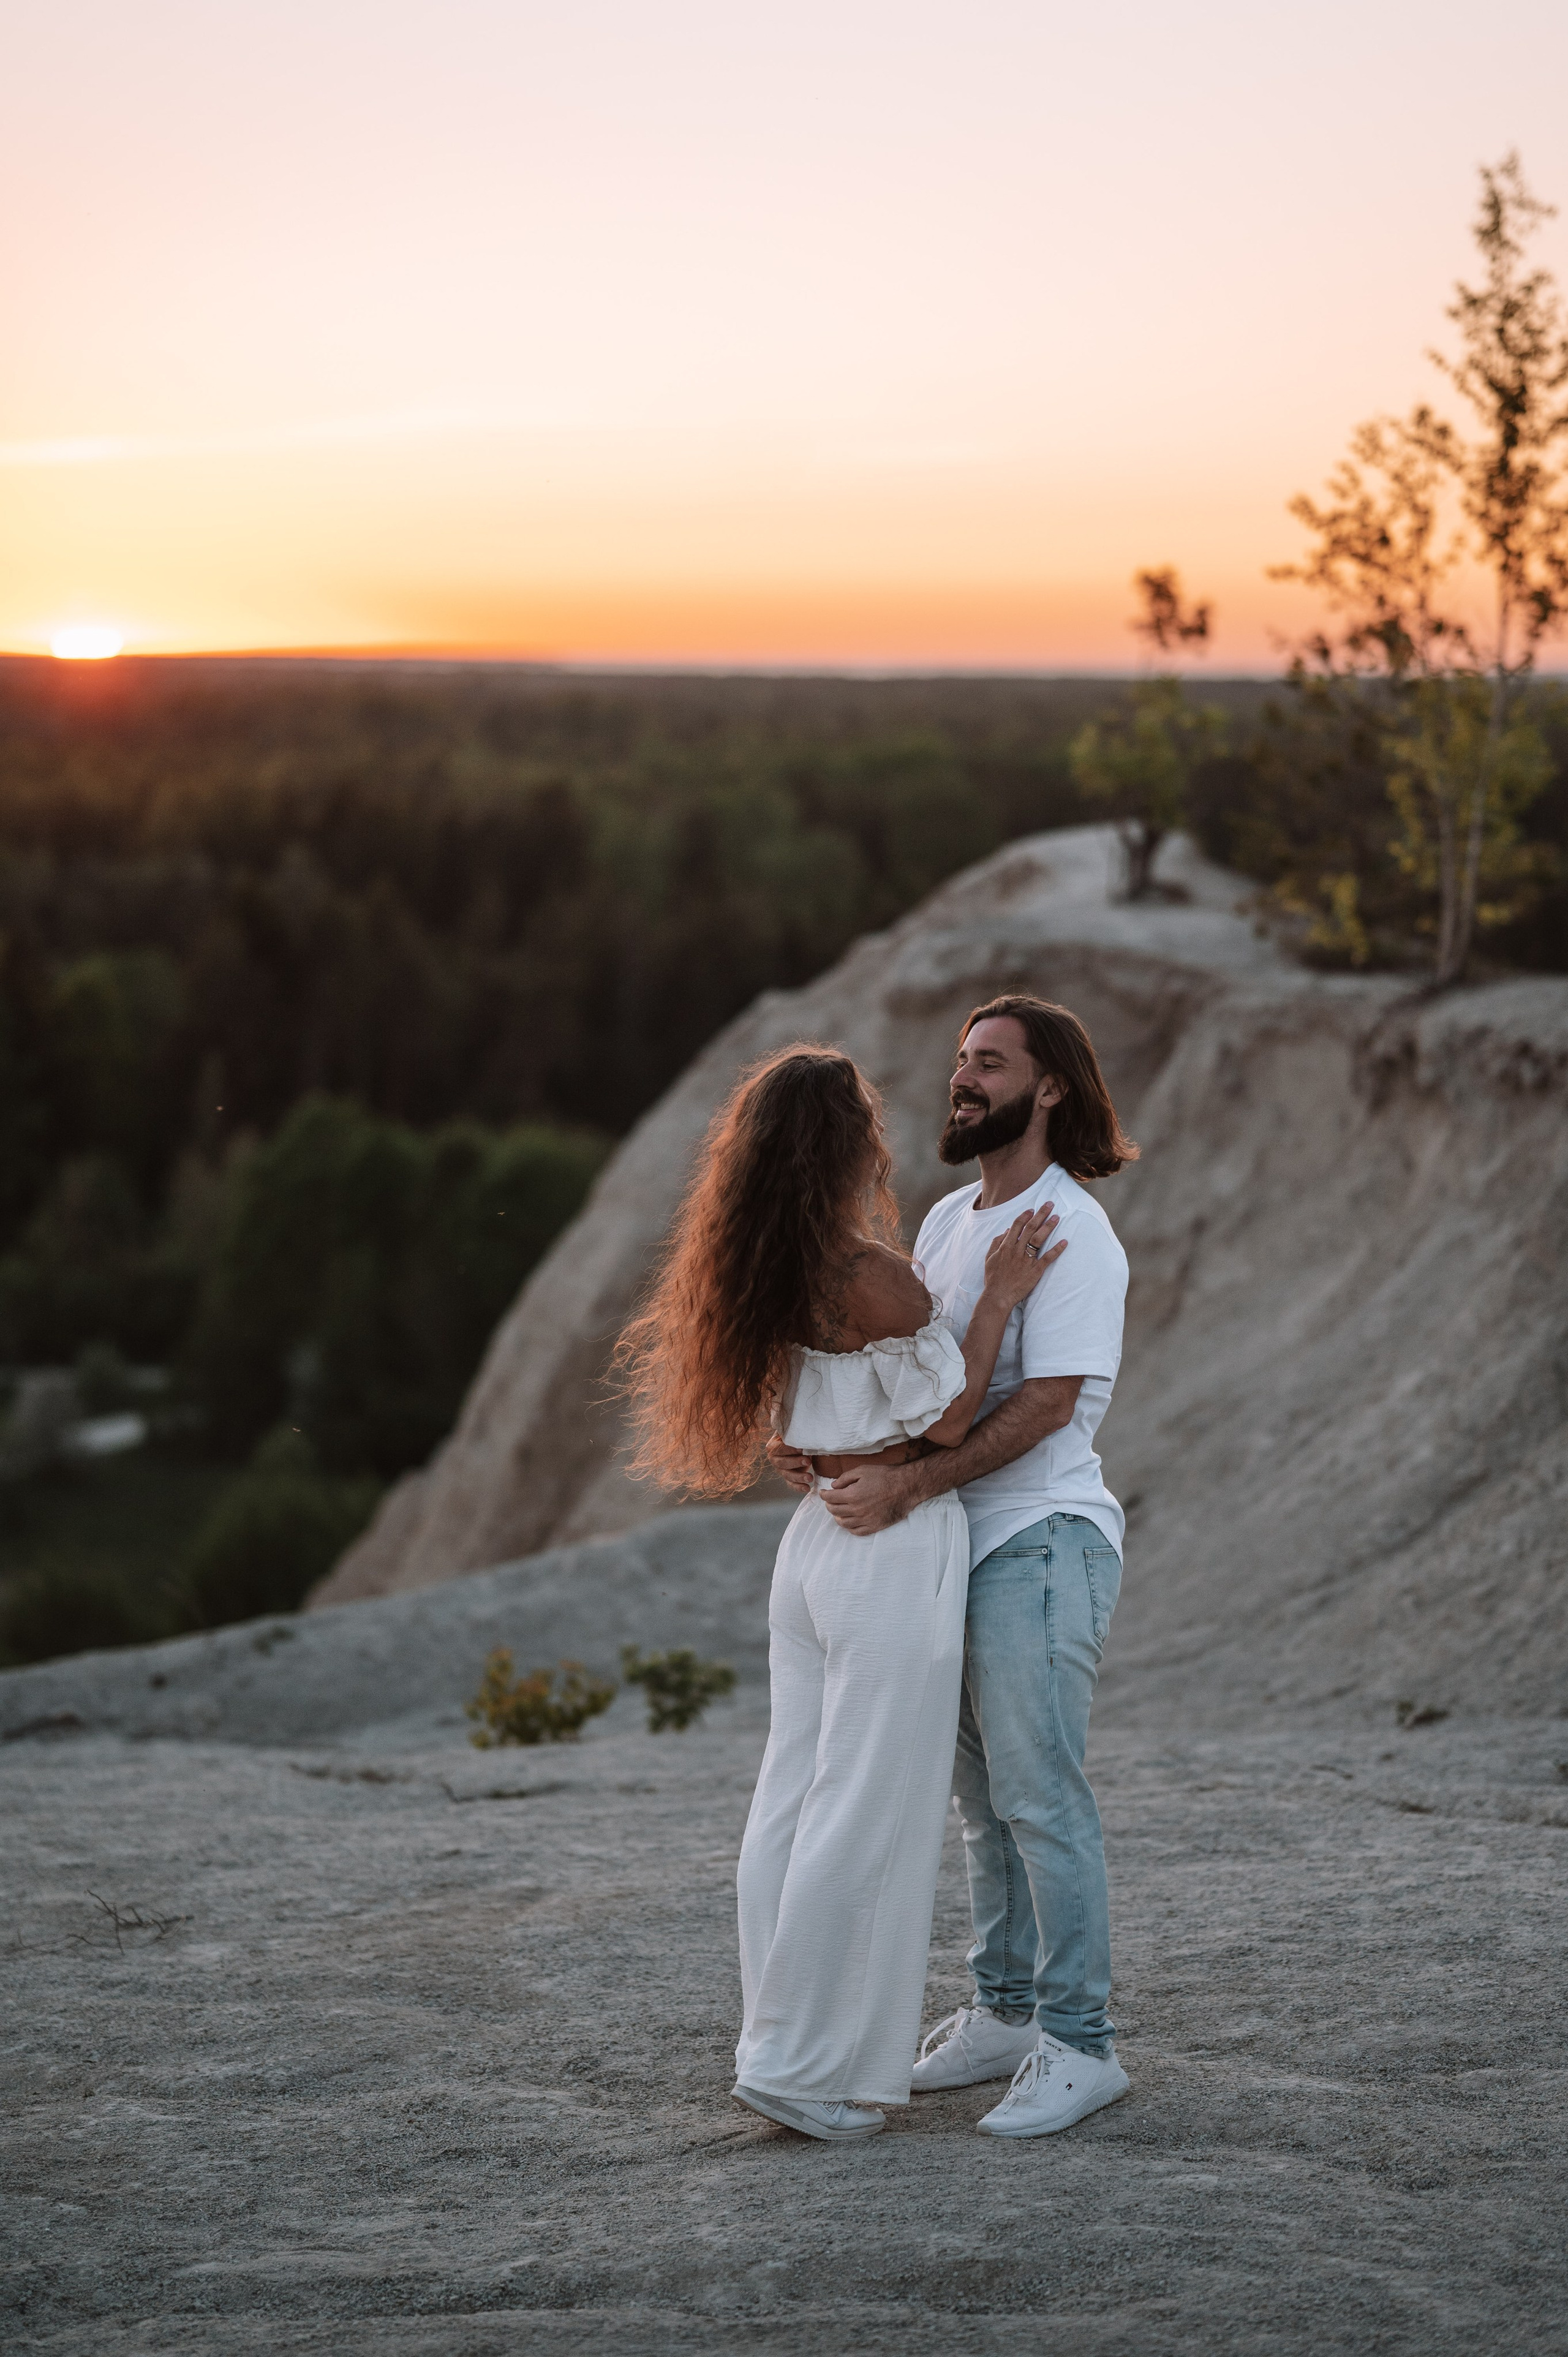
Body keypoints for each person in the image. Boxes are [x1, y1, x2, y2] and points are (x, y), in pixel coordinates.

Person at [616, 1044, 1062, 2143]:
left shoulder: (763, 1266)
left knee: (792, 1799)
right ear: (843, 1144)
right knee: (866, 1807)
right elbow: (949, 1420)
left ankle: (774, 2043)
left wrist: (822, 1451)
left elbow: (804, 1420)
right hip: (886, 1547)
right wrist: (998, 1298)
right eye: (866, 1121)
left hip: (813, 1548)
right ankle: (804, 2068)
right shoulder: (874, 1273)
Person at [768, 994, 1136, 2138]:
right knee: (982, 1807)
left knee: (1040, 1795)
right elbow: (911, 1388)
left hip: (1040, 1541)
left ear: (1052, 1088)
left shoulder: (1074, 1228)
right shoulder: (943, 1222)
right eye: (961, 1063)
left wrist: (915, 1485)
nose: (964, 1082)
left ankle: (1083, 2044)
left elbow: (1048, 1403)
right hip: (957, 1551)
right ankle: (1006, 2010)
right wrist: (830, 1451)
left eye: (991, 1065)